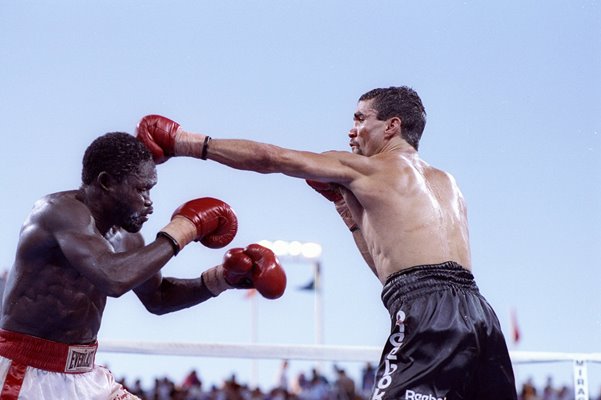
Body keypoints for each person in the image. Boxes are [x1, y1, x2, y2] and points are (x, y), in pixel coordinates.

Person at [136, 85, 518, 399]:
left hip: (427, 313)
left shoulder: (364, 167)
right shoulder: (447, 182)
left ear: (392, 126)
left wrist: (185, 142)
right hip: (480, 314)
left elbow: (272, 158)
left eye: (360, 119)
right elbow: (395, 272)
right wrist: (346, 211)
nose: (351, 130)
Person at [0, 132, 286, 399]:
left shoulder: (128, 238)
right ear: (106, 182)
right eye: (141, 189)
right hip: (25, 372)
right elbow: (112, 277)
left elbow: (158, 297)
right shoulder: (58, 212)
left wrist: (221, 280)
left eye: (151, 190)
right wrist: (184, 229)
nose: (149, 202)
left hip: (84, 374)